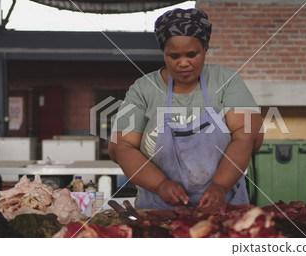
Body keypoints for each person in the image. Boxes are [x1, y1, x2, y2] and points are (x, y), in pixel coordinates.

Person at [108, 8, 263, 210]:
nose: (183, 63)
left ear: (205, 48)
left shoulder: (226, 81)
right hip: (159, 209)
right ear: (163, 53)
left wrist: (220, 186)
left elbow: (248, 136)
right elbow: (121, 147)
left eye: (192, 54)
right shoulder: (143, 89)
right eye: (173, 56)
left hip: (225, 206)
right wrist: (160, 184)